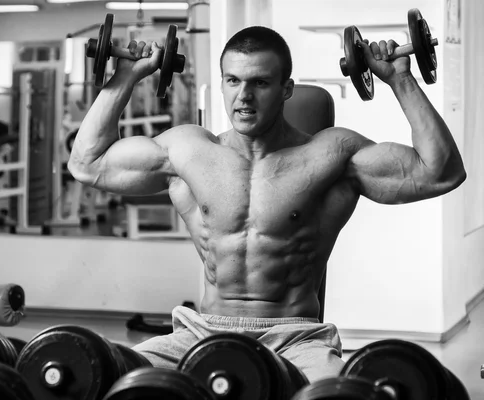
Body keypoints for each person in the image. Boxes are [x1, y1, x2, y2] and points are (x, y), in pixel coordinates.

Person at [68, 26, 466, 382]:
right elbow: (88, 164)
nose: (244, 95)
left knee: (335, 396)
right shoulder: (188, 149)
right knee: (107, 376)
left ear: (286, 89)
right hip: (200, 331)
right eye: (233, 80)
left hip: (295, 336)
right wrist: (125, 77)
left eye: (260, 82)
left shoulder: (331, 154)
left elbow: (439, 172)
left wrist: (401, 80)